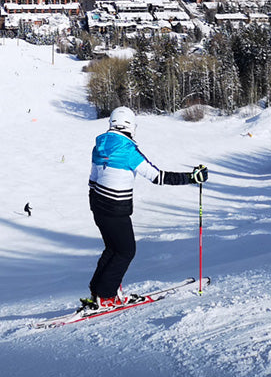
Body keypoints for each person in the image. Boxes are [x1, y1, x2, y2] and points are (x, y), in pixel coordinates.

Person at [84, 106, 207, 309]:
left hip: (98, 205)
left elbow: (93, 179)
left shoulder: (99, 146)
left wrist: (96, 202)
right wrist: (191, 178)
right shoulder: (128, 150)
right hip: (116, 208)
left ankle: (99, 290)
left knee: (113, 248)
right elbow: (157, 177)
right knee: (125, 251)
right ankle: (106, 296)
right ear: (131, 126)